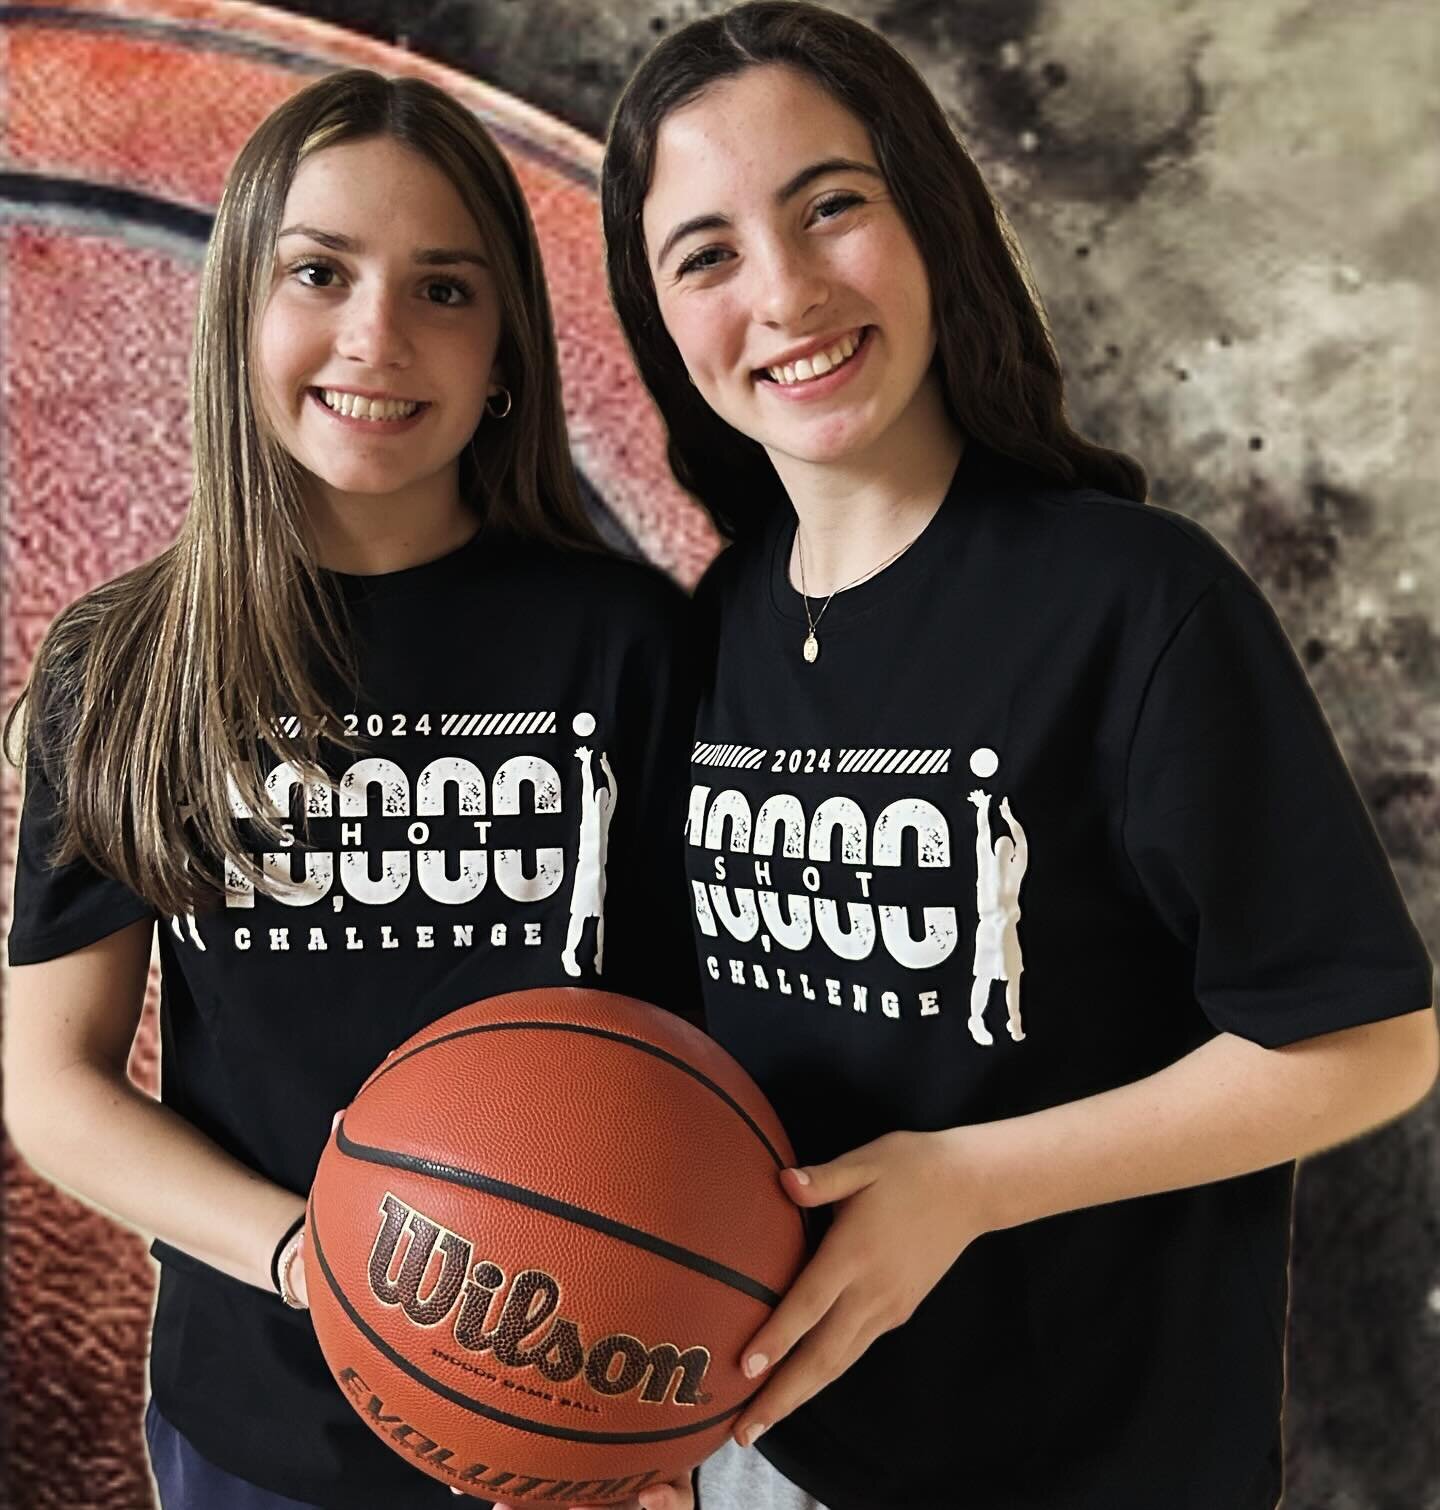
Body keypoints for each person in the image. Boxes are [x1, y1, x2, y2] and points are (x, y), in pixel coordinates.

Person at [598, 6, 1438, 1508]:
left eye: (831, 206)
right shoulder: (714, 626)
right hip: (771, 1454)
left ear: (930, 218)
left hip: (1095, 1468)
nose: (783, 293)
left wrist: (969, 1181)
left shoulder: (1137, 600)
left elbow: (1367, 1039)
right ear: (660, 319)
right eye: (706, 254)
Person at [4, 70, 697, 1510]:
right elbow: (54, 1083)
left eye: (444, 289)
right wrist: (309, 1259)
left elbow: (695, 1045)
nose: (376, 336)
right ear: (238, 311)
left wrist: (659, 1391)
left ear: (505, 343)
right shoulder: (133, 660)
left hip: (576, 1414)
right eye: (317, 272)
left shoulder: (630, 642)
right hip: (258, 1431)